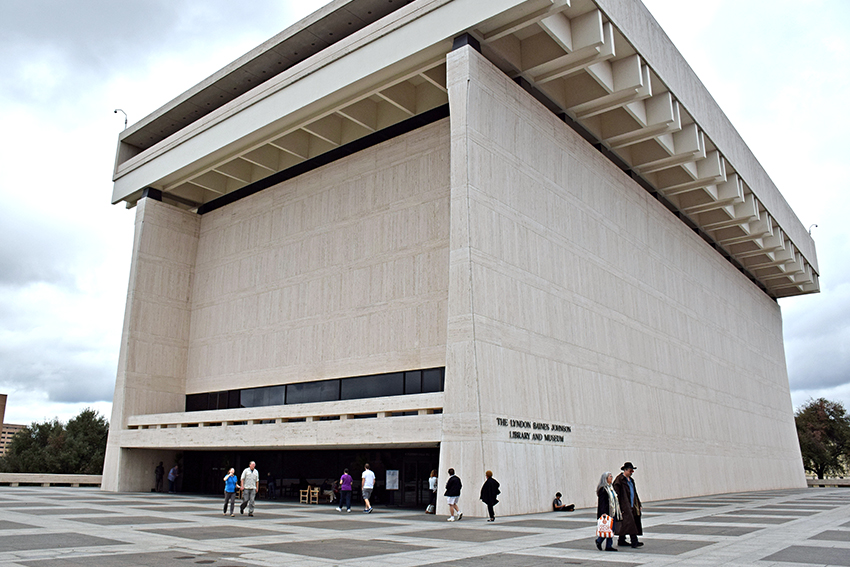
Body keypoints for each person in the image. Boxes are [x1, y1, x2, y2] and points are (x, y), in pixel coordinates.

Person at [612, 462, 643, 548]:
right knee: (631, 522)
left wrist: (638, 503)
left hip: (632, 505)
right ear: (625, 470)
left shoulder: (631, 480)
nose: (631, 472)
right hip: (625, 506)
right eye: (630, 470)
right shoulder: (619, 480)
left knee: (626, 524)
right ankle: (634, 541)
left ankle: (621, 540)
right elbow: (616, 494)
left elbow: (635, 493)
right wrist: (618, 506)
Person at [595, 471, 621, 551]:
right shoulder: (603, 490)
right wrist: (604, 513)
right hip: (607, 512)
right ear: (605, 479)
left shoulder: (611, 488)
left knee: (611, 529)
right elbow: (602, 503)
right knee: (608, 529)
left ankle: (607, 544)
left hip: (613, 512)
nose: (611, 478)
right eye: (610, 476)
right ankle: (601, 541)